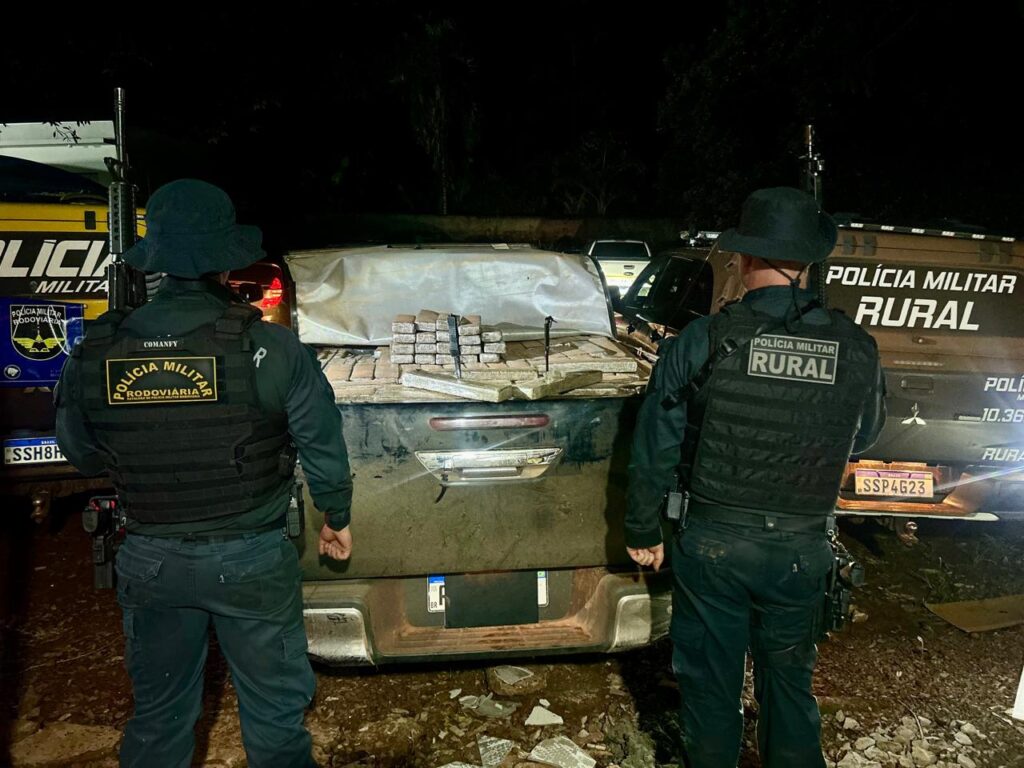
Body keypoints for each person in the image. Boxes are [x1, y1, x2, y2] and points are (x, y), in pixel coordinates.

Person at [55, 179, 353, 768]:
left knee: (159, 721)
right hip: (252, 559)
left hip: (150, 559)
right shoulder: (272, 348)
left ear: (155, 260)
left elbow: (81, 454)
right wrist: (335, 514)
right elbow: (321, 443)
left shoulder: (96, 350)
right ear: (225, 259)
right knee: (276, 721)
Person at [624, 187, 886, 767]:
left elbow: (656, 443)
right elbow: (864, 435)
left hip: (713, 543)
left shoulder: (704, 339)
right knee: (789, 686)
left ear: (744, 260)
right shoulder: (857, 347)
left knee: (710, 690)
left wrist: (643, 529)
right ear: (810, 263)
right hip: (802, 548)